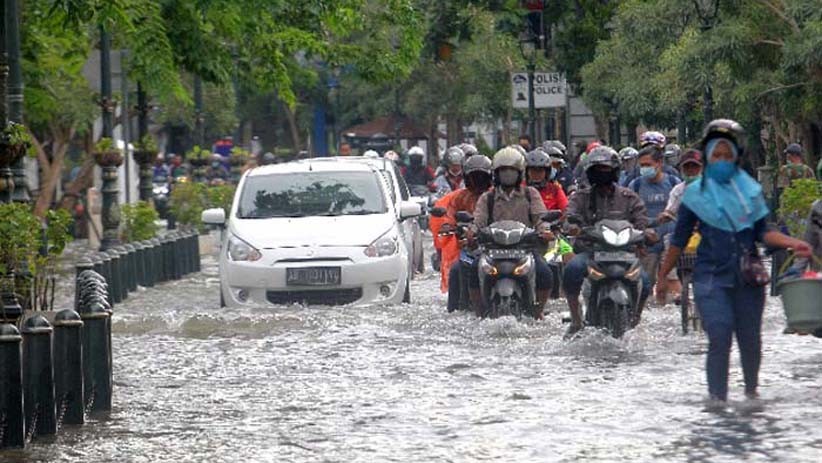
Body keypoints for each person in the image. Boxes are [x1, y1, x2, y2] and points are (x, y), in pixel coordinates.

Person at [658, 119, 812, 403]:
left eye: (727, 155)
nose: (722, 161)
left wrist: (793, 242)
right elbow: (678, 241)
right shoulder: (695, 195)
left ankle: (751, 395)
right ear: (707, 156)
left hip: (747, 278)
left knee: (750, 339)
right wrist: (662, 278)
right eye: (716, 155)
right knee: (719, 333)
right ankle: (717, 401)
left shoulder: (750, 191)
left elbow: (764, 233)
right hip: (710, 276)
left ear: (737, 156)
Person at [563, 146, 653, 336]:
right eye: (597, 170)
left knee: (645, 281)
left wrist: (647, 234)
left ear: (614, 171)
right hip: (591, 253)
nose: (602, 174)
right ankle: (576, 319)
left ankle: (636, 318)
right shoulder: (581, 197)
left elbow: (642, 221)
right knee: (571, 270)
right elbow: (570, 216)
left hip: (625, 254)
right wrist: (572, 227)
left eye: (606, 170)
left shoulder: (629, 197)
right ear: (590, 173)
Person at [468, 146, 554, 318]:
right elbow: (478, 220)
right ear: (496, 174)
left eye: (512, 171)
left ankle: (539, 311)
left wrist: (545, 231)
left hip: (525, 248)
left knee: (545, 272)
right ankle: (479, 312)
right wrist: (471, 232)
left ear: (520, 173)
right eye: (503, 171)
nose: (507, 174)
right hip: (493, 249)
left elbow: (541, 218)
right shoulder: (488, 197)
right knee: (472, 270)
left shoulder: (531, 194)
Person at [628, 145, 682, 296]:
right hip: (647, 241)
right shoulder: (635, 185)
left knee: (671, 276)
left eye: (648, 165)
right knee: (646, 281)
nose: (644, 169)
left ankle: (677, 309)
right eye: (642, 165)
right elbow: (629, 212)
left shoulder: (673, 182)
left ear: (659, 163)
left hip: (670, 238)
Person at [443, 155, 494, 312]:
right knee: (457, 269)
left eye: (481, 176)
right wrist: (448, 226)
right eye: (474, 177)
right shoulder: (460, 197)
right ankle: (456, 309)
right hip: (472, 247)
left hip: (496, 246)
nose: (478, 180)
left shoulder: (496, 195)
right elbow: (449, 216)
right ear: (466, 178)